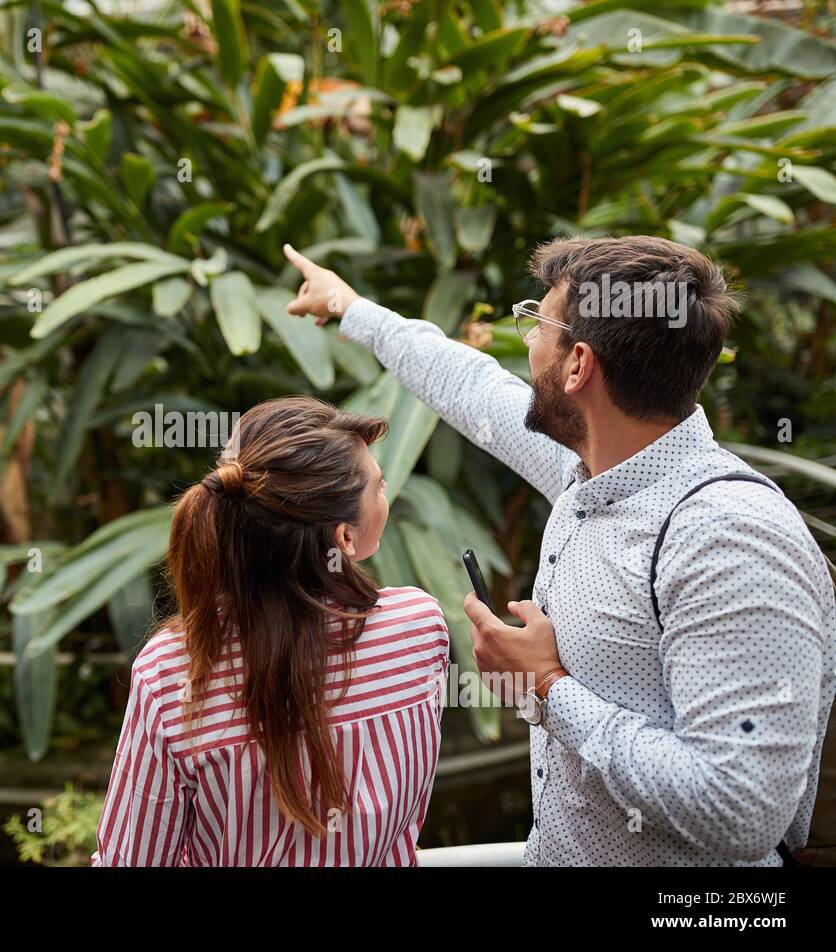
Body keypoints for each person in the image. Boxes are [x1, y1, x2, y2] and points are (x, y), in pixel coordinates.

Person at [284, 236, 836, 866]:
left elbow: (741, 812)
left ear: (577, 365)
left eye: (536, 323)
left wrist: (546, 686)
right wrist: (351, 307)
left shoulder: (727, 537)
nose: (525, 342)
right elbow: (468, 384)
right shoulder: (593, 468)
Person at [91, 396, 449, 865]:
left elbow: (129, 859)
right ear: (344, 538)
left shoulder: (174, 672)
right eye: (379, 487)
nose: (387, 493)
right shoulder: (419, 629)